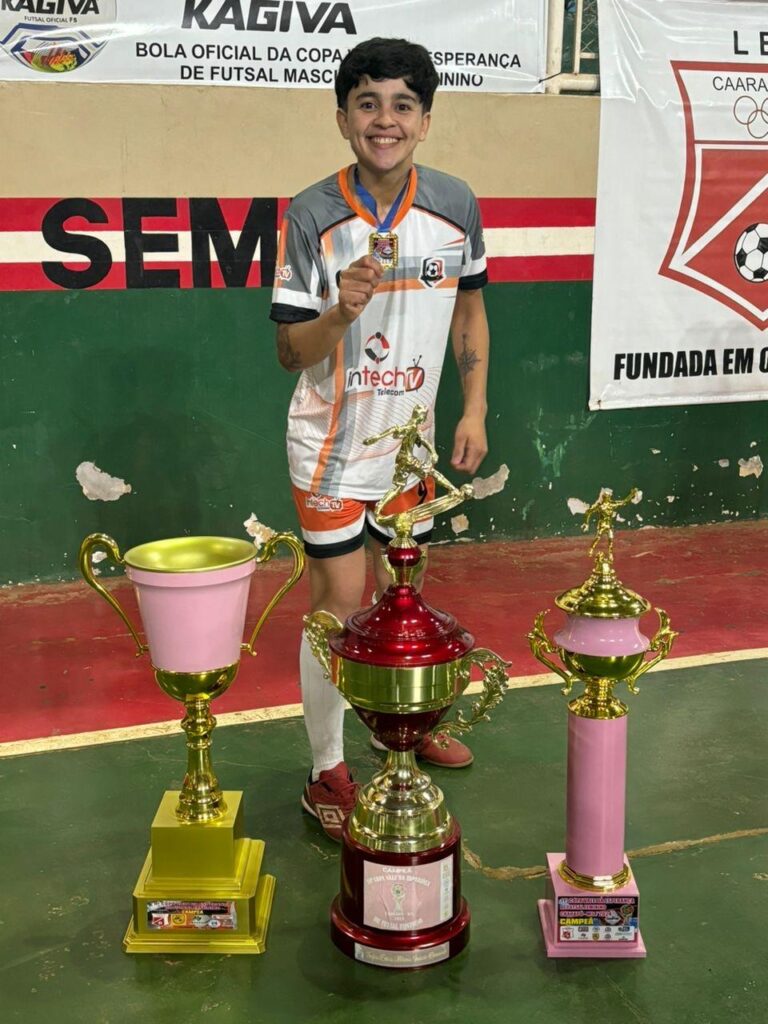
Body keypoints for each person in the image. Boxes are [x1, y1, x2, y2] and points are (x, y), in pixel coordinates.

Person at [270, 37, 490, 840]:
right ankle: (325, 766)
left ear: (425, 121)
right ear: (342, 118)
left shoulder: (457, 203)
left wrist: (473, 410)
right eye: (367, 103)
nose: (384, 120)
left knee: (404, 594)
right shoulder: (311, 215)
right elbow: (289, 351)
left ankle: (396, 723)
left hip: (414, 449)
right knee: (339, 602)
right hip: (330, 447)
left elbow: (470, 310)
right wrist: (340, 312)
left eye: (402, 105)